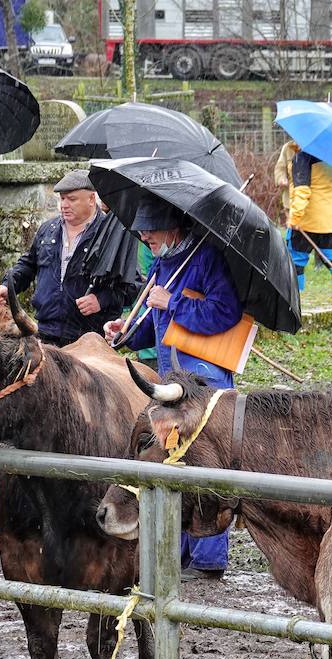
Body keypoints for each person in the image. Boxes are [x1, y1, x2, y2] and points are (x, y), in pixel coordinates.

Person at [104, 198, 243, 580]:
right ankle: (180, 552)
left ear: (174, 228)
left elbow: (224, 312)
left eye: (151, 228)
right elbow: (158, 322)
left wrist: (173, 301)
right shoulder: (165, 263)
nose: (144, 234)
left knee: (205, 462)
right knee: (172, 459)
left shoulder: (208, 257)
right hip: (172, 380)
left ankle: (209, 557)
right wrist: (126, 332)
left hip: (205, 381)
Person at [0, 169, 140, 347]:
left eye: (72, 199)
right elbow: (28, 265)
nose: (64, 205)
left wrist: (102, 300)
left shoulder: (111, 234)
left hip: (89, 338)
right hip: (46, 332)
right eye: (62, 199)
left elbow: (134, 285)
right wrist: (8, 286)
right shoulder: (48, 229)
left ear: (92, 199)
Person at [286, 146, 332, 293]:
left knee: (295, 260)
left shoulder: (302, 157)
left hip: (307, 220)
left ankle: (297, 299)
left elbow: (302, 190)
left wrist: (295, 217)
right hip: (329, 219)